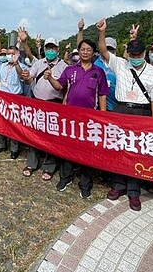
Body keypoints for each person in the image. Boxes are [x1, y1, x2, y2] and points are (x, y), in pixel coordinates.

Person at [97, 18, 153, 211]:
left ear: (143, 53)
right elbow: (103, 51)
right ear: (128, 53)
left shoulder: (152, 72)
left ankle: (134, 191)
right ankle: (118, 185)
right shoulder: (120, 64)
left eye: (138, 53)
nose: (135, 56)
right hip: (121, 110)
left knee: (136, 152)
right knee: (119, 149)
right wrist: (102, 32)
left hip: (141, 112)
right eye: (132, 53)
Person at [45, 39, 109, 199]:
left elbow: (102, 94)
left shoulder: (98, 72)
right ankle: (65, 178)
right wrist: (50, 78)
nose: (85, 52)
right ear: (78, 52)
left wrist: (102, 115)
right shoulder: (70, 69)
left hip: (90, 118)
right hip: (70, 118)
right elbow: (59, 86)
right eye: (83, 49)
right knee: (67, 149)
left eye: (89, 50)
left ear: (94, 53)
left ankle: (85, 184)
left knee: (87, 151)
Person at [21, 35, 67, 180]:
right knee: (33, 134)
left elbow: (63, 88)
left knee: (51, 136)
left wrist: (51, 79)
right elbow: (29, 80)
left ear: (58, 50)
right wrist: (25, 76)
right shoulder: (39, 63)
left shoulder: (64, 66)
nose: (50, 50)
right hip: (37, 103)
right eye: (48, 48)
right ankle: (32, 163)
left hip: (54, 104)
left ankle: (49, 166)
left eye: (53, 48)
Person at [0, 45, 28, 159]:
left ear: (17, 54)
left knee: (13, 125)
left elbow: (23, 77)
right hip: (0, 98)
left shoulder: (22, 67)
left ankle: (14, 149)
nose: (10, 56)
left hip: (14, 99)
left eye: (13, 53)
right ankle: (0, 145)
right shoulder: (2, 66)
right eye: (8, 53)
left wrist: (16, 63)